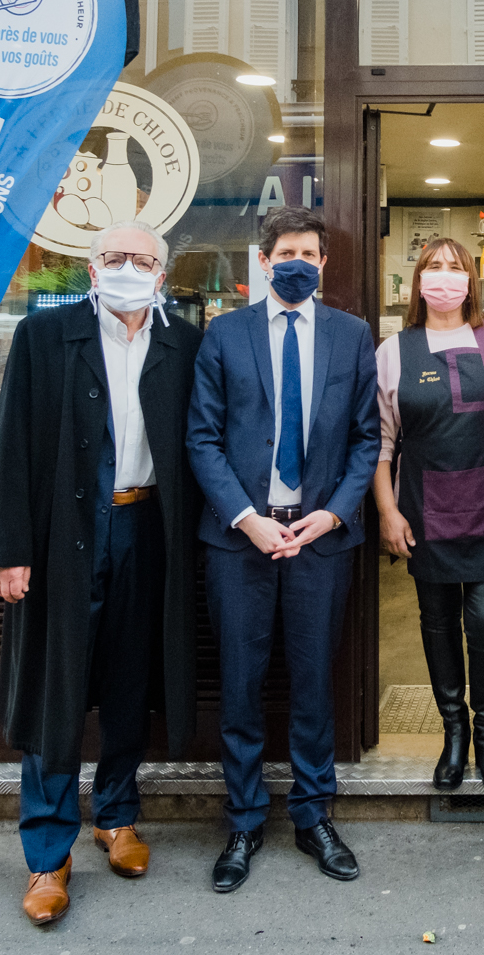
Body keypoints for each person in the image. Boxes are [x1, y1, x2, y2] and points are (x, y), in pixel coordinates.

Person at [0, 220, 203, 926]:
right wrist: (9, 548)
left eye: (142, 258)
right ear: (92, 267)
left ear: (162, 274)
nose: (128, 267)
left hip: (147, 525)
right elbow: (11, 444)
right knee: (57, 686)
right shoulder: (45, 337)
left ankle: (117, 815)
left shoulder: (183, 342)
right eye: (114, 256)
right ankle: (48, 853)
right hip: (62, 536)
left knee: (131, 677)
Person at [187, 205, 380, 894]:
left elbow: (366, 438)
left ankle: (312, 814)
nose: (297, 263)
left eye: (309, 253)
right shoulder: (224, 333)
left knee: (313, 682)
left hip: (319, 538)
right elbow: (202, 437)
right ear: (264, 261)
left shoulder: (351, 334)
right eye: (285, 253)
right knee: (240, 684)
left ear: (324, 263)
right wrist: (246, 518)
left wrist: (332, 513)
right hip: (241, 540)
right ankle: (243, 820)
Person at [373, 237, 484, 790]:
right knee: (437, 626)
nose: (444, 276)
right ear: (418, 280)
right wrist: (387, 511)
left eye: (455, 268)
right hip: (425, 512)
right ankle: (453, 733)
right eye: (433, 267)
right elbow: (381, 443)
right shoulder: (395, 350)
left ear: (471, 281)